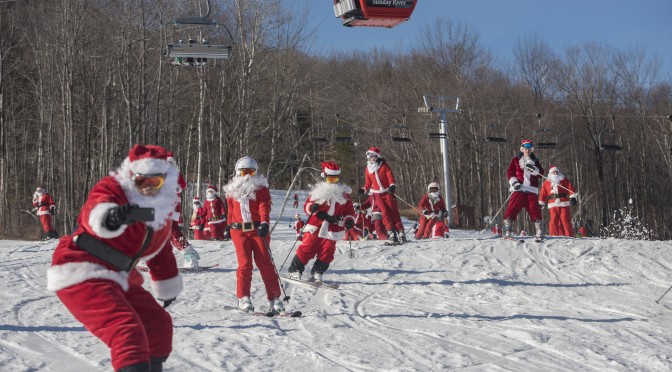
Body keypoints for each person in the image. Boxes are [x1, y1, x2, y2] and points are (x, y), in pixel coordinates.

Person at [46, 144, 183, 372]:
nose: (148, 189)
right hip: (82, 268)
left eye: (155, 183)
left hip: (120, 274)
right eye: (142, 182)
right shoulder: (115, 188)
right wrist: (113, 216)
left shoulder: (160, 210)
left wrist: (168, 285)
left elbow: (161, 252)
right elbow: (95, 209)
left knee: (157, 325)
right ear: (132, 177)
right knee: (126, 331)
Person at [223, 156, 284, 314]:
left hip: (258, 230)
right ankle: (243, 298)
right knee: (245, 265)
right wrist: (227, 225)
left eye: (251, 172)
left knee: (265, 263)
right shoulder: (231, 191)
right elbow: (230, 210)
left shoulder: (261, 189)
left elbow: (264, 207)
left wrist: (264, 223)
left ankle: (274, 297)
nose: (247, 176)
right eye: (244, 172)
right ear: (238, 173)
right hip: (238, 231)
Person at [288, 161, 356, 282]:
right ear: (324, 177)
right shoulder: (319, 191)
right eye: (330, 179)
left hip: (333, 227)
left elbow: (349, 210)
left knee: (328, 251)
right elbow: (307, 205)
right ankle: (295, 270)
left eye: (335, 179)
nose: (333, 182)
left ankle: (318, 272)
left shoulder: (344, 194)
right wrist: (312, 208)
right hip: (316, 224)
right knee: (308, 247)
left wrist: (349, 220)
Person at [357, 147, 406, 244]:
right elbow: (368, 184)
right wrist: (363, 190)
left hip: (387, 192)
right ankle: (391, 233)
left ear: (377, 156)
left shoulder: (384, 166)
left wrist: (392, 186)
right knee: (385, 213)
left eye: (374, 156)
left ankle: (400, 232)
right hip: (377, 195)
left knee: (393, 212)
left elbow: (390, 177)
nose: (372, 158)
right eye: (370, 157)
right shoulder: (368, 169)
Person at [503, 139, 544, 240]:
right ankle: (507, 228)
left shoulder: (535, 161)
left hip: (531, 189)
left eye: (529, 149)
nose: (527, 151)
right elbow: (510, 172)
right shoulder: (516, 160)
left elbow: (541, 173)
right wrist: (514, 182)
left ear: (531, 150)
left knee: (534, 210)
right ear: (522, 149)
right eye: (525, 149)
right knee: (512, 208)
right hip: (519, 188)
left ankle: (539, 229)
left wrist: (534, 170)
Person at [166, 152, 200, 268]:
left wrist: (177, 187)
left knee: (172, 231)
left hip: (172, 207)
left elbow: (183, 185)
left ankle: (190, 254)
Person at [538, 166, 578, 237]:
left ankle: (569, 235)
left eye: (557, 171)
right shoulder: (547, 182)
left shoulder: (563, 180)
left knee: (565, 219)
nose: (555, 173)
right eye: (554, 172)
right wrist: (541, 202)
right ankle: (553, 235)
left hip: (563, 202)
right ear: (550, 173)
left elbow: (570, 188)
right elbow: (543, 193)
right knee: (553, 220)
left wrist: (573, 197)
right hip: (553, 203)